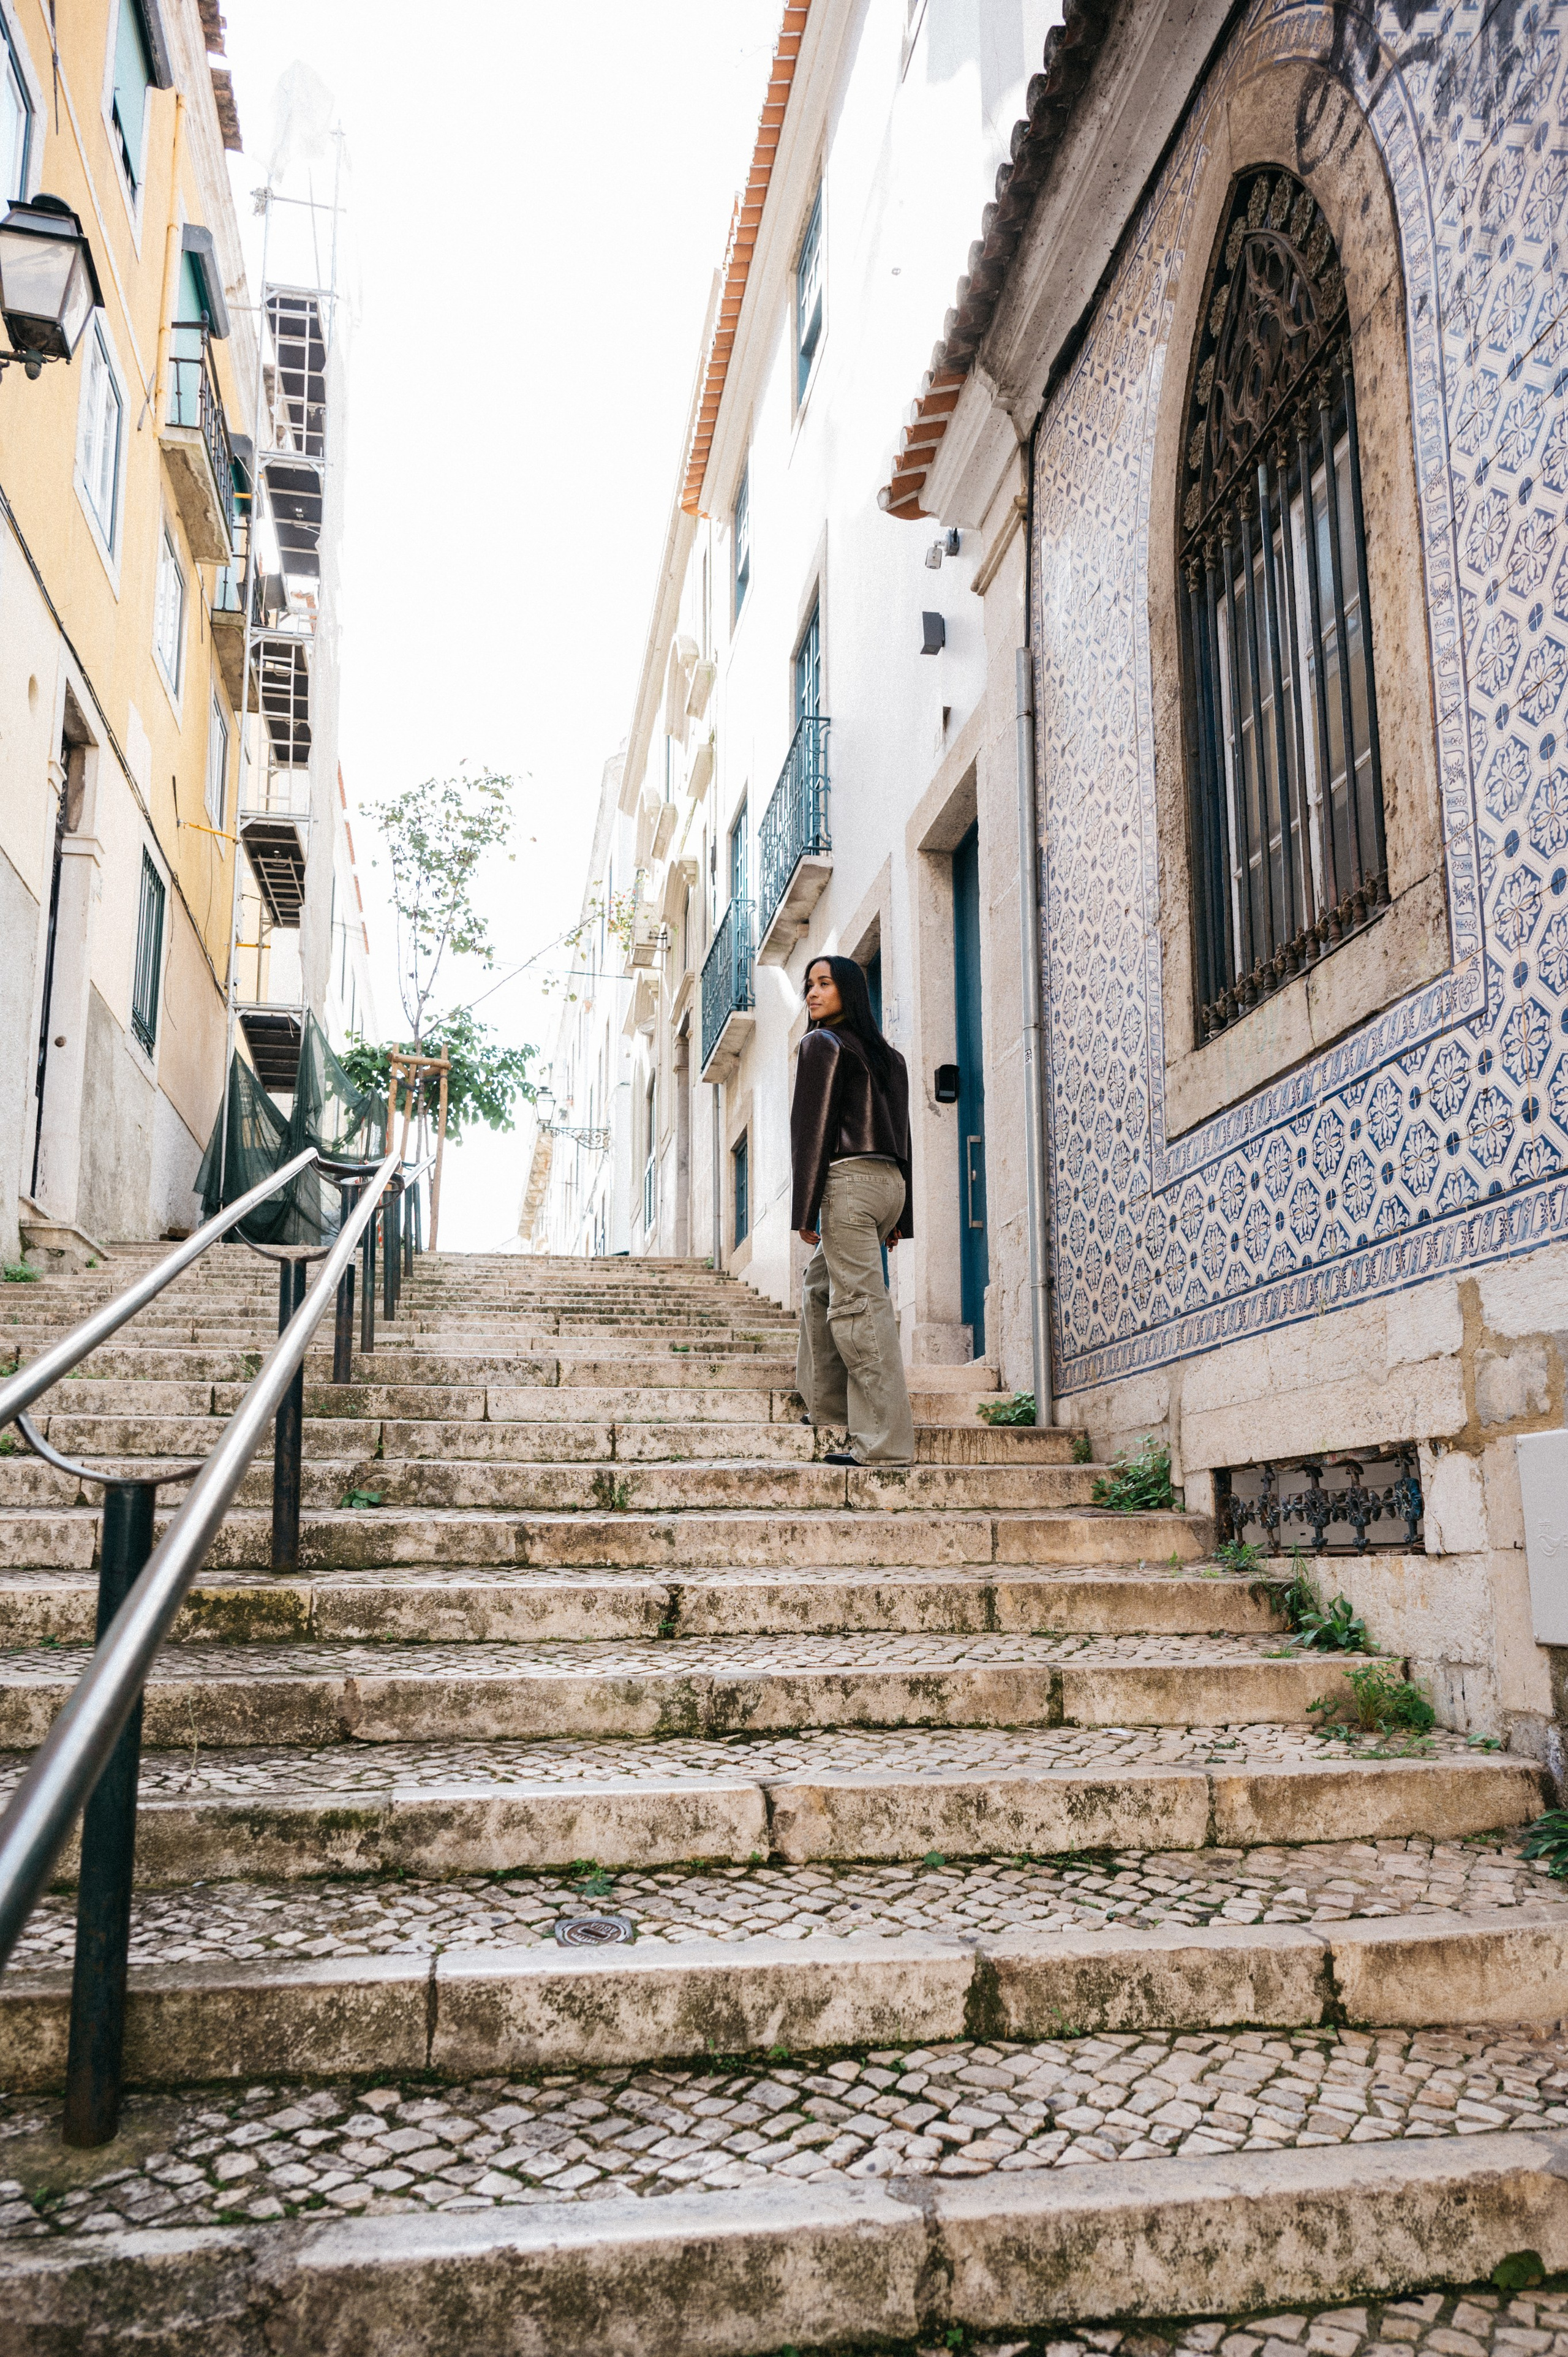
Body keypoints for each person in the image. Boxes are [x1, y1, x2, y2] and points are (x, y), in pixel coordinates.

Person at [790, 954, 915, 1466]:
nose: (812, 994)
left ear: (849, 991)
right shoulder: (891, 1056)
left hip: (848, 1184)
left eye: (824, 984)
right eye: (808, 986)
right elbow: (903, 1134)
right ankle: (826, 1405)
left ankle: (885, 1445)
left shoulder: (821, 1044)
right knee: (820, 1286)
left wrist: (804, 1209)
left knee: (860, 1308)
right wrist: (901, 1218)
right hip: (888, 1186)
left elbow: (811, 1130)